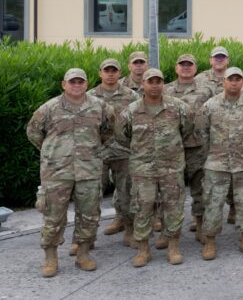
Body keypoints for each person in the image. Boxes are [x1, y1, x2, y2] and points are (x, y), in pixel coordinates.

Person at [27, 68, 114, 277]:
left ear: (86, 84)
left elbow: (110, 131)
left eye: (80, 82)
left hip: (89, 170)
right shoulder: (49, 108)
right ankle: (50, 258)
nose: (77, 85)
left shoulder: (100, 107)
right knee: (53, 216)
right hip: (57, 172)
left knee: (89, 215)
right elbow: (33, 132)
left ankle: (83, 254)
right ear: (63, 84)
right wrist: (53, 152)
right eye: (72, 82)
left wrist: (93, 151)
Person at [118, 68, 192, 267]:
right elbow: (122, 136)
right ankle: (143, 250)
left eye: (158, 81)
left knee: (173, 207)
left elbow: (187, 129)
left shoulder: (178, 108)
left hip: (171, 168)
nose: (155, 85)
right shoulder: (131, 111)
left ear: (163, 84)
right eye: (150, 81)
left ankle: (173, 247)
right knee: (143, 208)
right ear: (143, 84)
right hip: (143, 170)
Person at [198, 67, 243, 259]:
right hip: (217, 164)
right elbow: (202, 133)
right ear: (223, 82)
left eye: (237, 79)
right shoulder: (210, 105)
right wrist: (212, 154)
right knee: (213, 203)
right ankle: (209, 241)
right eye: (230, 79)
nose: (234, 82)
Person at [165, 53, 216, 238]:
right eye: (182, 64)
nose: (186, 67)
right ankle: (169, 231)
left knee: (200, 188)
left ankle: (200, 224)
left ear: (195, 68)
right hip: (172, 147)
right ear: (176, 68)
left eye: (190, 65)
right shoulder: (165, 90)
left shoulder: (208, 89)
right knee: (170, 190)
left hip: (199, 146)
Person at [89, 59, 137, 244]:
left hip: (122, 151)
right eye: (106, 70)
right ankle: (86, 237)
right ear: (100, 73)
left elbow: (137, 121)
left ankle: (129, 230)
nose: (110, 73)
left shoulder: (131, 96)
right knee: (92, 195)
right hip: (97, 153)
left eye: (114, 70)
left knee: (127, 192)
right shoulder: (90, 96)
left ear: (119, 73)